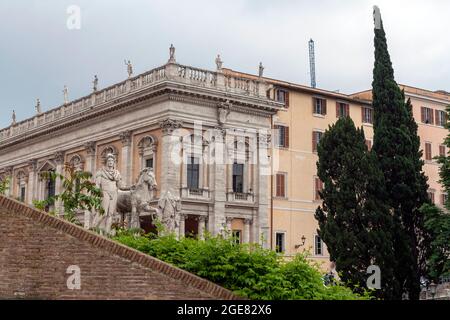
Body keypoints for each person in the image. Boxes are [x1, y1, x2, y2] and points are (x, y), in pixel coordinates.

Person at [93, 153, 128, 234]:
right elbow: (97, 185)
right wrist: (98, 194)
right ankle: (94, 227)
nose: (110, 162)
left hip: (114, 193)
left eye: (112, 161)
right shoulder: (100, 172)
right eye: (109, 161)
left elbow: (120, 186)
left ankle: (107, 233)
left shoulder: (117, 173)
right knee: (104, 213)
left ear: (114, 162)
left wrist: (130, 188)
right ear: (106, 162)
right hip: (105, 192)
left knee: (111, 214)